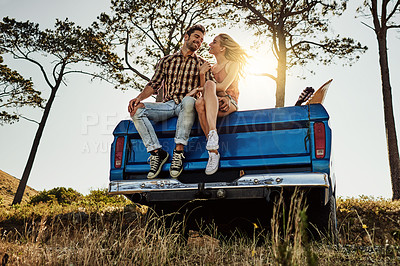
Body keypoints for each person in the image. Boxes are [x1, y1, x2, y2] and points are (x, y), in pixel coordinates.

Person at [128, 24, 215, 179]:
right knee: (137, 110)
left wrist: (201, 89)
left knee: (189, 101)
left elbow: (209, 89)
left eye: (202, 40)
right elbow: (154, 84)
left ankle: (178, 152)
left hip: (188, 104)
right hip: (168, 105)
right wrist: (138, 98)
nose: (199, 41)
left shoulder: (203, 64)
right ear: (186, 37)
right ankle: (157, 153)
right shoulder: (166, 61)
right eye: (196, 37)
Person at [192, 33, 248, 175]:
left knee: (209, 86)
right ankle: (213, 150)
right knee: (199, 103)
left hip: (229, 102)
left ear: (223, 48)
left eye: (214, 42)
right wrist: (202, 75)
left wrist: (203, 88)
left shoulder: (232, 64)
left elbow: (222, 87)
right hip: (213, 103)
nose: (210, 44)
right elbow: (205, 93)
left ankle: (211, 135)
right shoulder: (211, 68)